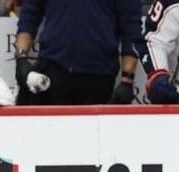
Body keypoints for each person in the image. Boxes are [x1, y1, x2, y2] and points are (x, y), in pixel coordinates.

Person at [13, 0, 143, 105]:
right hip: (52, 72)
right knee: (49, 134)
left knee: (92, 136)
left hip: (98, 76)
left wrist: (127, 80)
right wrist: (21, 57)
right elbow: (29, 14)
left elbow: (131, 26)